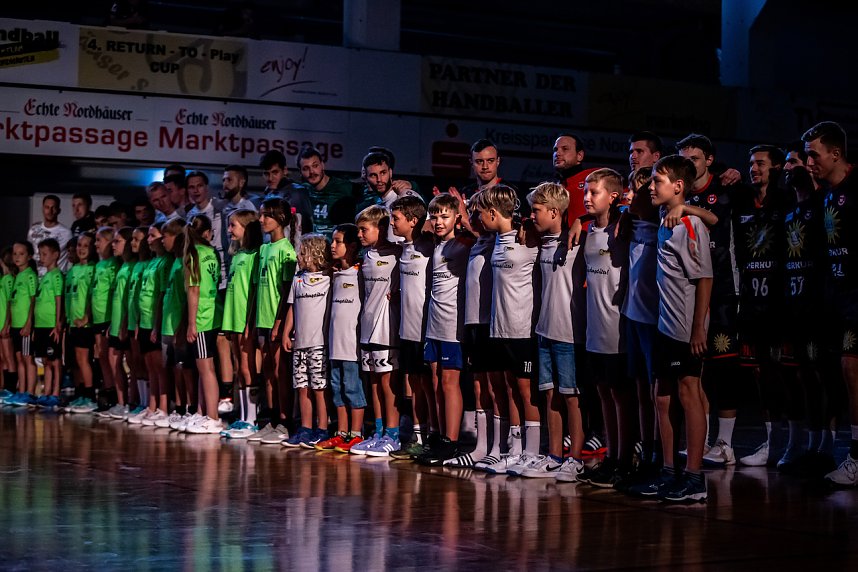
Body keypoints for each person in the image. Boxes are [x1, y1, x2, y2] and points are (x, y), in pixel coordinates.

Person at [638, 154, 713, 502]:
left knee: (689, 393)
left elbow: (704, 278)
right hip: (665, 324)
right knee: (662, 397)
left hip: (685, 327)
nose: (651, 186)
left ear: (678, 186)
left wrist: (698, 328)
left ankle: (695, 477)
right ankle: (668, 470)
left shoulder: (689, 225)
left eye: (658, 181)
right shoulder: (667, 218)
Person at [677, 133, 750, 467]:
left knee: (724, 367)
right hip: (689, 293)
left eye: (694, 158)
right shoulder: (680, 192)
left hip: (723, 289)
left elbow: (719, 217)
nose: (689, 165)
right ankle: (702, 441)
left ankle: (726, 442)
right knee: (697, 370)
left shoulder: (726, 189)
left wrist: (729, 171)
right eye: (684, 159)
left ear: (708, 160)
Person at [801, 121, 858, 487]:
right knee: (838, 373)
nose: (809, 163)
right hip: (835, 298)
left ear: (835, 154)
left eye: (814, 155)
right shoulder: (824, 196)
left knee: (851, 367)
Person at [521, 182, 587, 481]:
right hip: (544, 331)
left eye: (536, 211)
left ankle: (576, 458)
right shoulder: (541, 241)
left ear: (554, 212)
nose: (532, 215)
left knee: (571, 397)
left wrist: (580, 220)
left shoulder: (576, 240)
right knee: (550, 396)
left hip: (569, 333)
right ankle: (554, 455)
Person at [729, 144, 790, 467]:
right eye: (751, 163)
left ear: (777, 167)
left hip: (781, 303)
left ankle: (796, 440)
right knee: (759, 375)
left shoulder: (786, 200)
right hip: (751, 301)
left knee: (787, 374)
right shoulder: (741, 199)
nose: (754, 168)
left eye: (761, 163)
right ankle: (769, 443)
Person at [475, 185, 540, 475]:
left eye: (480, 214)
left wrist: (527, 224)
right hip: (498, 327)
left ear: (492, 212)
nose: (478, 220)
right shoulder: (496, 238)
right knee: (510, 388)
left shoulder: (528, 237)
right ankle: (513, 450)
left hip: (522, 328)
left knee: (526, 391)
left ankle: (533, 451)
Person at [578, 169, 635, 489]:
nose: (587, 198)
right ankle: (612, 456)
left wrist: (625, 211)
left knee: (620, 396)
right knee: (602, 393)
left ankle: (624, 458)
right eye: (586, 192)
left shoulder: (623, 228)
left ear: (613, 196)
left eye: (594, 192)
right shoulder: (586, 229)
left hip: (617, 327)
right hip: (593, 328)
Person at [415, 193, 474, 465]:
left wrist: (465, 217)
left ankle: (451, 442)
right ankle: (439, 437)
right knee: (437, 381)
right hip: (434, 325)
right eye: (435, 216)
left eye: (445, 216)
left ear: (456, 219)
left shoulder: (463, 244)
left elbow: (480, 235)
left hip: (453, 326)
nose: (438, 221)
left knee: (450, 383)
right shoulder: (436, 246)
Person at [348, 205, 403, 456]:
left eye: (363, 229)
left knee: (387, 382)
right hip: (367, 327)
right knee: (372, 381)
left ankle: (393, 434)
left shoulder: (397, 255)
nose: (359, 234)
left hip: (386, 329)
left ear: (381, 228)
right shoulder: (365, 258)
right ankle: (379, 431)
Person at [387, 195, 435, 461]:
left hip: (425, 329)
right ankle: (416, 435)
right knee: (413, 383)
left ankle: (431, 434)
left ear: (413, 220)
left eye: (396, 219)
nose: (392, 223)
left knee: (427, 385)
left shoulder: (428, 246)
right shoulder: (401, 249)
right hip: (406, 329)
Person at [315, 224, 367, 452]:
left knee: (353, 388)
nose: (332, 246)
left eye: (338, 241)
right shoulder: (334, 273)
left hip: (352, 345)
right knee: (336, 388)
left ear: (352, 246)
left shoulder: (360, 271)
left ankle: (356, 433)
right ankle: (341, 432)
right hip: (334, 344)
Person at [250, 198, 298, 443]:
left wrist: (279, 323)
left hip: (275, 321)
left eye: (265, 216)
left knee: (280, 373)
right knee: (267, 372)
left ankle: (285, 422)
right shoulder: (263, 249)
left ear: (279, 219)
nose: (261, 220)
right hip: (261, 319)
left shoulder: (287, 251)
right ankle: (270, 420)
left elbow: (287, 292)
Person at [462, 192, 504, 471]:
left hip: (492, 322)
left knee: (494, 385)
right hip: (472, 322)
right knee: (478, 385)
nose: (474, 219)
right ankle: (481, 446)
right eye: (472, 213)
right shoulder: (475, 243)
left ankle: (500, 447)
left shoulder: (500, 242)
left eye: (478, 213)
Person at [281, 234, 333, 448]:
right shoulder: (298, 279)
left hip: (319, 344)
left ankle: (322, 429)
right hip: (300, 344)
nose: (298, 256)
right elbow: (292, 307)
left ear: (316, 254)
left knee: (319, 388)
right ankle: (305, 428)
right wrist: (286, 333)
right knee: (302, 387)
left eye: (302, 252)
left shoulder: (329, 278)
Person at [219, 210, 262, 438]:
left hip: (245, 320)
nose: (229, 230)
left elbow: (253, 292)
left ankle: (252, 419)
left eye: (233, 225)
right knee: (238, 368)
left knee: (248, 369)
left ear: (246, 227)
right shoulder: (237, 256)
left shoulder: (255, 256)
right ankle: (243, 416)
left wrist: (249, 321)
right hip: (233, 319)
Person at [184, 215, 224, 434]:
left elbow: (194, 289)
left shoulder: (193, 254)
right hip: (214, 312)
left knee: (206, 369)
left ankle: (213, 417)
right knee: (205, 368)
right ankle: (202, 413)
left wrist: (191, 323)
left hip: (202, 317)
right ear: (207, 232)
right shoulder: (212, 253)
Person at [133, 223, 173, 424]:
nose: (149, 240)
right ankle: (151, 405)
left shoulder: (166, 262)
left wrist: (157, 325)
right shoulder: (151, 262)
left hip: (156, 321)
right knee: (149, 364)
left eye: (153, 236)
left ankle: (164, 407)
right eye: (148, 237)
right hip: (145, 319)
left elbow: (161, 295)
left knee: (159, 366)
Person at [103, 228, 136, 418]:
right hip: (115, 324)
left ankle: (130, 403)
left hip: (125, 324)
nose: (113, 245)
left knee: (130, 364)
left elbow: (128, 300)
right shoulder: (122, 266)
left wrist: (124, 323)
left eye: (118, 241)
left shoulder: (131, 267)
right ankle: (121, 402)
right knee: (113, 361)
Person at [359, 151, 422, 242]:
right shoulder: (374, 205)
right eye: (373, 175)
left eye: (383, 173)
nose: (379, 180)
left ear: (390, 172)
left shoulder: (404, 197)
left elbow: (425, 226)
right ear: (366, 177)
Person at [66, 233, 97, 414]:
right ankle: (79, 394)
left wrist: (87, 316)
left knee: (83, 359)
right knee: (75, 361)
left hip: (84, 324)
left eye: (86, 245)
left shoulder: (92, 269)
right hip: (72, 323)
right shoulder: (72, 270)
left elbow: (92, 296)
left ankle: (89, 396)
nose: (81, 248)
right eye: (79, 245)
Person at [91, 227, 121, 413]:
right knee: (101, 355)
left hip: (108, 318)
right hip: (97, 317)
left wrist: (112, 320)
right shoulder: (99, 265)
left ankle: (118, 397)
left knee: (111, 358)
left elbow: (114, 294)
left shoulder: (114, 266)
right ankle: (108, 391)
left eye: (99, 241)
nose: (96, 244)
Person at [31, 239, 63, 409]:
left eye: (45, 254)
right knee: (45, 360)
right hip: (41, 326)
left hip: (51, 325)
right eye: (40, 254)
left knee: (54, 360)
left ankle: (56, 393)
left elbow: (59, 300)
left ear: (55, 255)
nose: (41, 257)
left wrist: (57, 323)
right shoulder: (45, 277)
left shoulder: (57, 275)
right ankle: (47, 392)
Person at [125, 226, 153, 417]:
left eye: (137, 239)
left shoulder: (148, 265)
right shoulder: (136, 265)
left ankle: (150, 404)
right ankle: (142, 402)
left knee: (148, 363)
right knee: (136, 362)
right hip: (134, 321)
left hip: (147, 321)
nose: (133, 243)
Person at [297, 146, 355, 236]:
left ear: (322, 165)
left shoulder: (343, 187)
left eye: (315, 166)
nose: (311, 171)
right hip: (311, 247)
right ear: (300, 172)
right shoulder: (303, 191)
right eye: (306, 168)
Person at [7, 243, 37, 404]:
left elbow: (33, 300)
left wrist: (28, 323)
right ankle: (22, 390)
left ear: (29, 256)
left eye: (21, 254)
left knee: (27, 359)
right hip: (16, 326)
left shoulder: (30, 275)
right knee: (19, 359)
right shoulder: (17, 276)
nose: (17, 257)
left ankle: (30, 392)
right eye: (15, 254)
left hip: (25, 325)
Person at [258, 150, 314, 234]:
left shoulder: (297, 193)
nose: (270, 178)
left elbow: (305, 226)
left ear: (284, 170)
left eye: (275, 172)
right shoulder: (268, 193)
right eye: (266, 174)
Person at [553, 133, 599, 224]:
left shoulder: (595, 177)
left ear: (579, 155)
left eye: (565, 149)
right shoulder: (553, 188)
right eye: (555, 150)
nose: (557, 153)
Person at [28, 195, 72, 274]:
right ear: (43, 209)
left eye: (53, 208)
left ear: (59, 210)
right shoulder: (33, 230)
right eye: (47, 207)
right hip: (35, 277)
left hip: (55, 280)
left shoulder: (66, 233)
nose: (50, 211)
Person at [0, 250, 16, 394]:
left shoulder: (9, 280)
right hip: (1, 324)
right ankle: (4, 387)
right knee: (3, 358)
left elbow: (10, 303)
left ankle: (10, 389)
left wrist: (7, 324)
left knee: (9, 358)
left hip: (5, 324)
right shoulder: (3, 279)